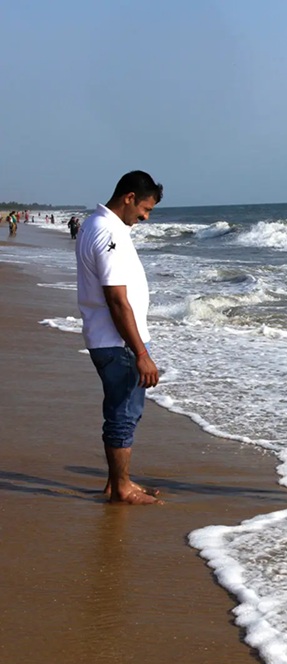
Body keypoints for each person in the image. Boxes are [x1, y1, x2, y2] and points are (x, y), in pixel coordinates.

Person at [76, 170, 164, 505]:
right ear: (128, 197)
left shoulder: (99, 226)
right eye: (145, 208)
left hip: (113, 340)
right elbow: (116, 298)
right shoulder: (107, 231)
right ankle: (121, 488)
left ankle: (118, 482)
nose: (145, 216)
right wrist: (140, 351)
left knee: (124, 411)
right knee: (123, 413)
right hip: (118, 342)